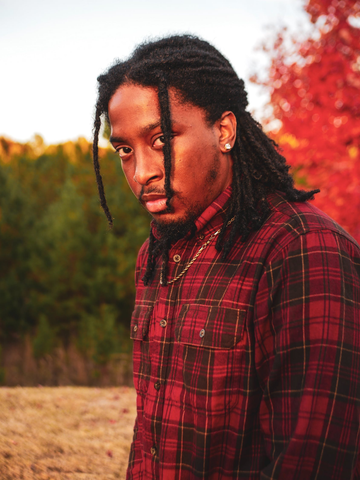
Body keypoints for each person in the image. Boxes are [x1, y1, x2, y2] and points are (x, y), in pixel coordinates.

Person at [92, 35, 360, 479]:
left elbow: (314, 460)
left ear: (224, 131)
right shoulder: (157, 253)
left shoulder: (304, 251)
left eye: (161, 139)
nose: (141, 173)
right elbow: (154, 442)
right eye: (125, 150)